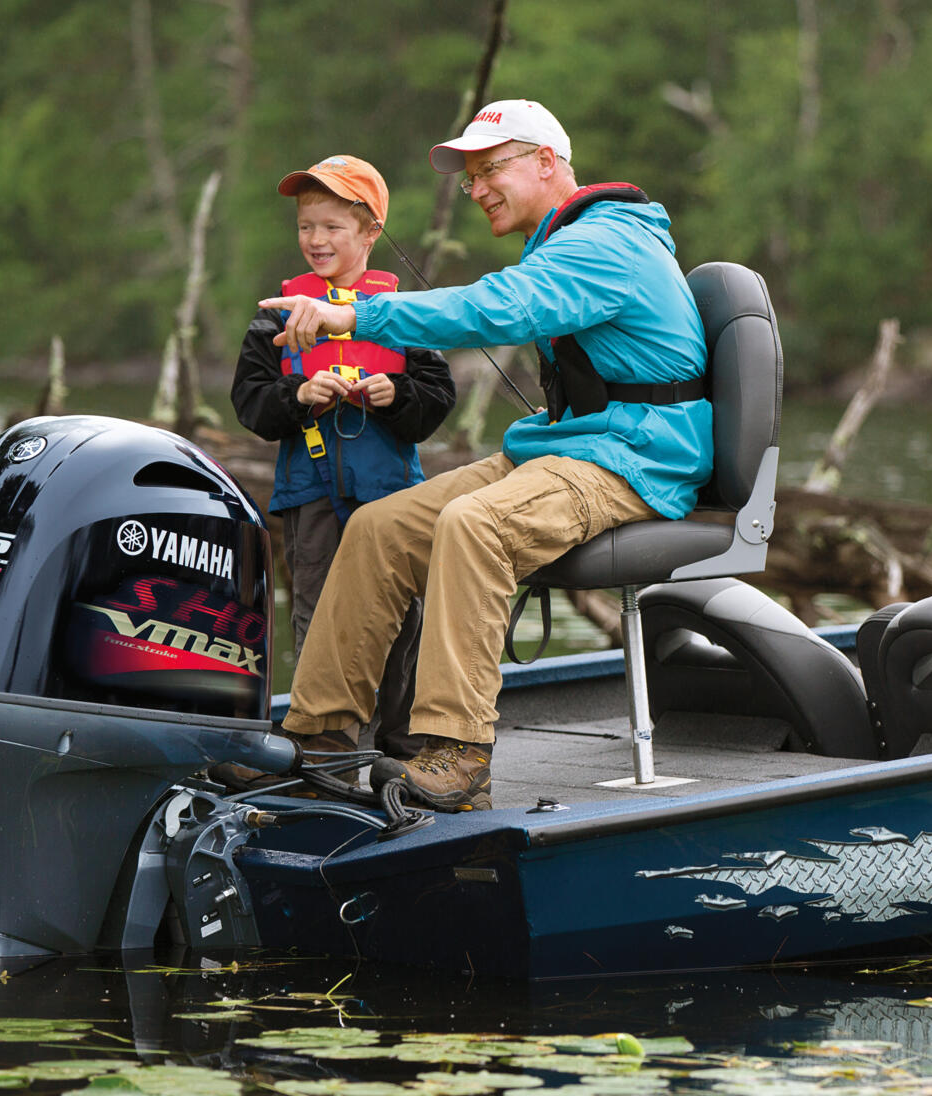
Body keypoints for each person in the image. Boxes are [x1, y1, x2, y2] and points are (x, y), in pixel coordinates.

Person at [258, 99, 711, 812]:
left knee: (476, 523)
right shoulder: (563, 243)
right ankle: (321, 741)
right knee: (379, 528)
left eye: (490, 169)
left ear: (546, 162)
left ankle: (459, 754)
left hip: (637, 456)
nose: (477, 190)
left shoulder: (605, 242)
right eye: (470, 178)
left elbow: (498, 307)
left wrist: (357, 314)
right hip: (574, 446)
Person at [229, 154, 457, 765]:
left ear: (371, 231)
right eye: (306, 226)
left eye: (332, 227)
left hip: (393, 497)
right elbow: (250, 403)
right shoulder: (277, 315)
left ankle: (405, 748)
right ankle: (325, 754)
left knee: (404, 620)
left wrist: (396, 394)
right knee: (319, 614)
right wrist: (299, 395)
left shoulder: (403, 314)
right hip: (312, 497)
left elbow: (436, 400)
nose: (316, 239)